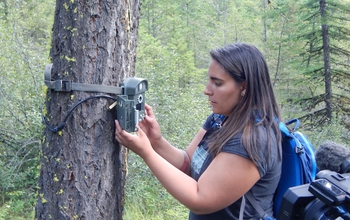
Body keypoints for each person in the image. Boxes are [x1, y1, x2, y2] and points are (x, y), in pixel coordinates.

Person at [115, 43, 282, 219]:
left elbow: (200, 200)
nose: (207, 90)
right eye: (209, 80)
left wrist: (147, 152)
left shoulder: (252, 139)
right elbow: (187, 164)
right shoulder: (219, 120)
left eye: (217, 83)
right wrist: (156, 142)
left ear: (244, 87)